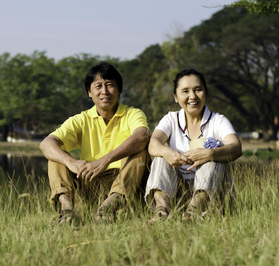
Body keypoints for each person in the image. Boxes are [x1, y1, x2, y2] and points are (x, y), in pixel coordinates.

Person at [40, 62, 151, 225]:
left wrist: (104, 161)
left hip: (123, 183)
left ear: (119, 90)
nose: (104, 91)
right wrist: (72, 163)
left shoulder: (132, 114)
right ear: (89, 93)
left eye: (110, 85)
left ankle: (111, 205)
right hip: (90, 181)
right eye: (98, 86)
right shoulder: (81, 119)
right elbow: (46, 144)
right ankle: (67, 210)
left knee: (141, 151)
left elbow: (142, 135)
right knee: (56, 156)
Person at [145, 68, 242, 222]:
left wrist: (211, 154)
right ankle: (162, 211)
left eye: (198, 90)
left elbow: (236, 147)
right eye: (185, 91)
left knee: (213, 158)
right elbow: (153, 144)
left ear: (206, 93)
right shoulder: (171, 118)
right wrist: (166, 151)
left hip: (212, 195)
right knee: (160, 157)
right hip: (177, 192)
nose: (192, 96)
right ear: (176, 97)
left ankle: (194, 212)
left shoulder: (218, 120)